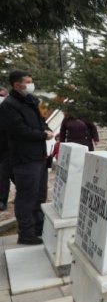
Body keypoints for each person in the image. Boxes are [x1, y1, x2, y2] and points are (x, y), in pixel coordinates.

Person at [0, 70, 54, 244]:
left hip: (39, 155)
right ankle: (26, 233)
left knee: (40, 195)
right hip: (24, 158)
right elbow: (19, 131)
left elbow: (42, 120)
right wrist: (42, 135)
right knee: (26, 197)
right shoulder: (9, 105)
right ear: (17, 84)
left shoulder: (32, 100)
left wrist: (47, 129)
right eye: (27, 82)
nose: (31, 85)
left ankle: (39, 227)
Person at [0, 86, 11, 211]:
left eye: (2, 96)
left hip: (8, 149)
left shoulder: (10, 111)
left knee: (3, 175)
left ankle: (2, 200)